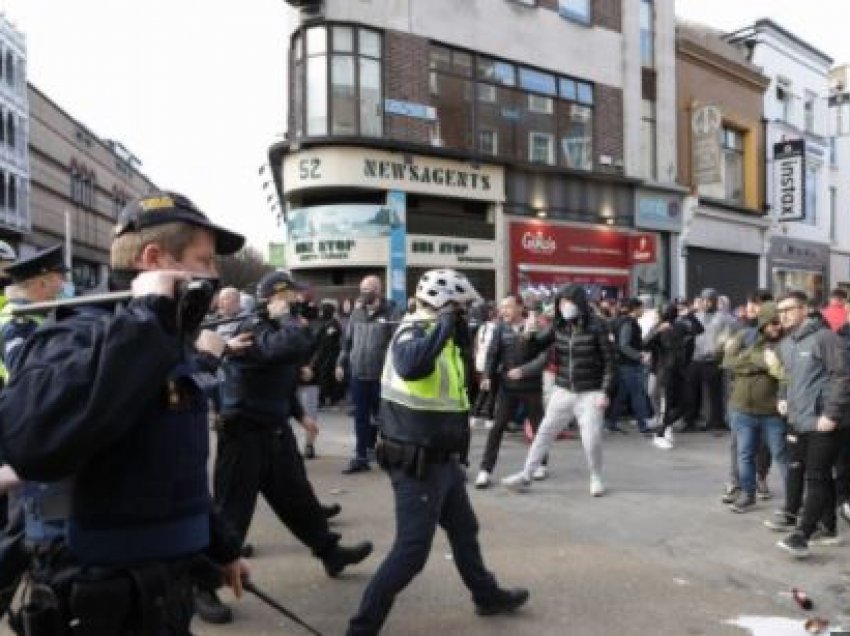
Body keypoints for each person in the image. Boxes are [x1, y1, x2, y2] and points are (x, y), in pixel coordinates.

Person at [0, 191, 250, 633]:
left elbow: (174, 468)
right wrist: (146, 316)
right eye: (204, 260)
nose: (213, 276)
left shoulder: (161, 338)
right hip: (98, 595)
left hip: (161, 587)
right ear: (154, 259)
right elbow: (32, 444)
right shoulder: (73, 335)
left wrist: (224, 548)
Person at [347, 269, 528, 635]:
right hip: (416, 462)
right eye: (459, 308)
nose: (464, 314)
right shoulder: (414, 331)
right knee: (411, 552)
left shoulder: (439, 337)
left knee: (464, 530)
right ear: (445, 306)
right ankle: (361, 629)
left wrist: (454, 333)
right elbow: (411, 366)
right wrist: (445, 326)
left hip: (440, 460)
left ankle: (486, 595)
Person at [203, 269, 374, 623]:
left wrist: (299, 415)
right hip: (243, 433)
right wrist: (285, 318)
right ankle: (202, 587)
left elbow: (281, 375)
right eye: (292, 296)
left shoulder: (278, 329)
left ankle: (330, 552)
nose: (299, 301)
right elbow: (290, 346)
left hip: (272, 430)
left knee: (298, 498)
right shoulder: (248, 329)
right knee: (230, 513)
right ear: (277, 297)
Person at [0, 244, 68, 617]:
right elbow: (29, 377)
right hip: (25, 433)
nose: (62, 284)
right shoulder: (19, 322)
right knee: (21, 527)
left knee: (27, 524)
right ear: (41, 282)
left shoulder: (37, 317)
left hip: (29, 430)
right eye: (58, 277)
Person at [501, 283, 615, 497]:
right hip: (563, 390)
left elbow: (610, 361)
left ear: (578, 302)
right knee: (543, 433)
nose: (563, 306)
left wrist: (605, 391)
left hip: (590, 392)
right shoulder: (558, 325)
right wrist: (528, 335)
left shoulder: (598, 325)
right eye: (560, 302)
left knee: (591, 439)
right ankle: (526, 475)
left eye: (567, 302)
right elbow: (534, 349)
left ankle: (596, 476)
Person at [767, 291, 850, 558]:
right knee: (818, 476)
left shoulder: (825, 337)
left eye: (789, 309)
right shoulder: (787, 342)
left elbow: (842, 377)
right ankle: (828, 528)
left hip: (824, 421)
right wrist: (782, 398)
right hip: (799, 420)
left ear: (805, 309)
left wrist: (832, 415)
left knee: (815, 477)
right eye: (780, 311)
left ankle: (802, 534)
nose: (784, 315)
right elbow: (786, 377)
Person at [721, 302, 788, 513]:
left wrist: (747, 360)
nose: (779, 327)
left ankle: (794, 500)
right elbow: (727, 362)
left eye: (781, 323)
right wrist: (761, 363)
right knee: (745, 454)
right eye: (774, 323)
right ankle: (747, 494)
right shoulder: (744, 337)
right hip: (741, 408)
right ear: (764, 322)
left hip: (772, 412)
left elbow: (784, 370)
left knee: (782, 456)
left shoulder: (786, 343)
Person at [475, 295, 547, 489]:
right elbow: (493, 353)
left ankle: (541, 463)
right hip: (508, 387)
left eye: (507, 307)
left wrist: (525, 370)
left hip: (531, 386)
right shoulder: (500, 328)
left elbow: (544, 356)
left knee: (538, 426)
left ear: (520, 307)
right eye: (501, 307)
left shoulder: (535, 326)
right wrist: (487, 376)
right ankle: (485, 470)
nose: (503, 311)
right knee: (497, 427)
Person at [336, 275, 396, 473]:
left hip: (381, 377)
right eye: (362, 288)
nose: (364, 293)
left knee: (383, 418)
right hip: (358, 374)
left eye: (368, 289)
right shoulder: (356, 314)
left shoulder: (392, 312)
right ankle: (361, 456)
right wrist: (340, 363)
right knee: (360, 417)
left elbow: (397, 344)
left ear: (379, 289)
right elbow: (347, 342)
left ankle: (385, 455)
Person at [644, 301, 703, 449]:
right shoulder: (660, 328)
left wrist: (689, 315)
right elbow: (644, 344)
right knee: (670, 403)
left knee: (683, 404)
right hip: (666, 371)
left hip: (678, 370)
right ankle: (661, 432)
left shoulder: (680, 326)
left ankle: (663, 428)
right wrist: (657, 331)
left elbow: (699, 330)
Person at [682, 288, 736, 431]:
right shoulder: (695, 317)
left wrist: (722, 348)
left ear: (714, 301)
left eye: (709, 300)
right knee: (691, 391)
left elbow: (732, 333)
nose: (706, 303)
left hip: (713, 359)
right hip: (695, 358)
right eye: (703, 300)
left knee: (714, 393)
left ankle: (716, 421)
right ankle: (690, 421)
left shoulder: (724, 318)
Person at [605, 297, 652, 434]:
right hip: (629, 365)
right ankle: (643, 425)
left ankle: (611, 422)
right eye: (641, 308)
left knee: (622, 395)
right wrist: (639, 355)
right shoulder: (628, 323)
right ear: (635, 309)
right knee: (638, 394)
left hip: (622, 363)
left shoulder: (620, 321)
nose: (643, 310)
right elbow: (624, 345)